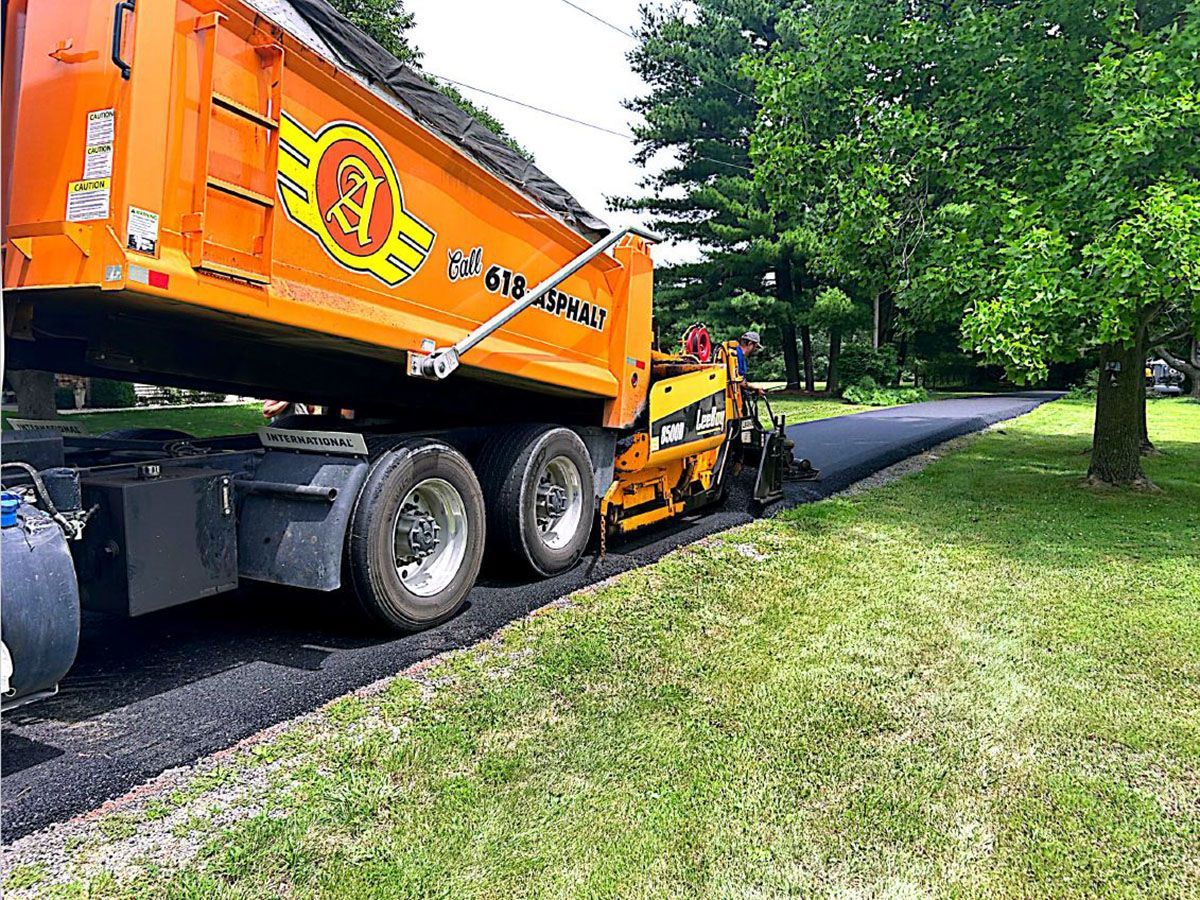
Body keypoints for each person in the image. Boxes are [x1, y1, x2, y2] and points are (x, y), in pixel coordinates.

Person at [734, 331, 765, 396]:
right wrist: (755, 387)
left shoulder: (736, 353)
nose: (755, 350)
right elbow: (740, 383)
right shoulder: (737, 356)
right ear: (750, 344)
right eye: (756, 347)